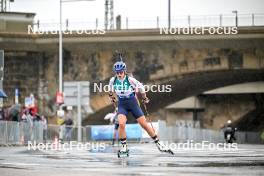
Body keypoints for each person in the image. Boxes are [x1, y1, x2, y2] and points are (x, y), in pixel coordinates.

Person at [108, 61, 170, 154]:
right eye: (117, 72)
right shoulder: (113, 80)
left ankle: (158, 144)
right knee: (121, 124)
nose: (119, 74)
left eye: (121, 72)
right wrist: (111, 97)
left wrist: (144, 98)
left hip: (132, 102)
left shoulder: (130, 80)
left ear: (124, 71)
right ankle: (124, 147)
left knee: (144, 125)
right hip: (122, 103)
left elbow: (141, 87)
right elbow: (110, 90)